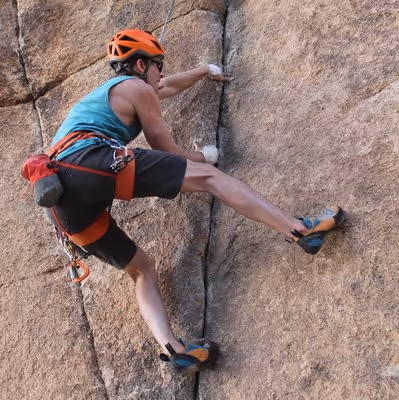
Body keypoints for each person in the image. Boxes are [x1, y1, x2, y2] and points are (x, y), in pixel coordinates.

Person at [45, 29, 344, 375]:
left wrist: (203, 70)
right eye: (159, 65)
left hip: (61, 204)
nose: (161, 73)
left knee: (141, 269)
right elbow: (167, 150)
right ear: (141, 65)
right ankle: (299, 229)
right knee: (213, 180)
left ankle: (177, 351)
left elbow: (164, 87)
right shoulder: (137, 88)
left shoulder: (112, 95)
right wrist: (203, 156)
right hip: (91, 161)